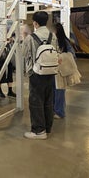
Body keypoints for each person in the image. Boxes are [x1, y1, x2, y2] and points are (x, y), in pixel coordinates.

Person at [21, 11, 55, 139]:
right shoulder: (53, 36)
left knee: (36, 101)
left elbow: (24, 54)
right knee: (48, 100)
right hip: (51, 71)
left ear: (35, 23)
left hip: (36, 73)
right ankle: (47, 127)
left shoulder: (30, 38)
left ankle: (39, 131)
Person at [51, 22, 75, 118]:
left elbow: (72, 54)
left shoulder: (64, 41)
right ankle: (55, 110)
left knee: (59, 91)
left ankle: (59, 112)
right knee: (54, 91)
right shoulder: (52, 40)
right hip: (53, 70)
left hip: (61, 71)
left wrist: (61, 57)